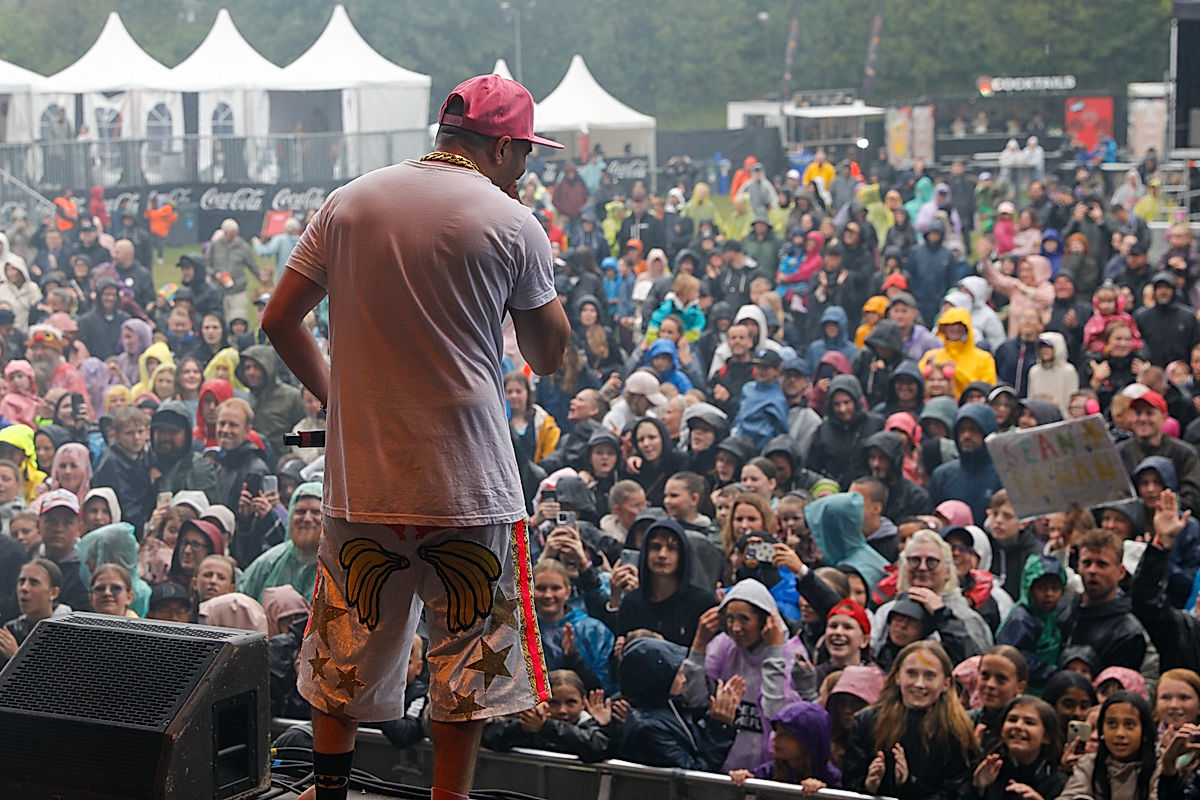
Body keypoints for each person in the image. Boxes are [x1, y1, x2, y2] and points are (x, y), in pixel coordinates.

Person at [260, 74, 572, 800]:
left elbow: (279, 320)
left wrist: (342, 399)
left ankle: (330, 791)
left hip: (363, 474)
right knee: (468, 655)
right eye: (523, 153)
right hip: (468, 479)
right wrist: (532, 242)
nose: (524, 167)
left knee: (344, 638)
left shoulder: (350, 201)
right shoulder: (510, 219)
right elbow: (550, 353)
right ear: (501, 145)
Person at [844, 640, 977, 799]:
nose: (919, 684)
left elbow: (955, 793)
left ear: (946, 683)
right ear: (897, 677)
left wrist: (909, 784)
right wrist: (868, 786)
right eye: (912, 674)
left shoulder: (957, 731)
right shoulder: (866, 722)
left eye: (929, 676)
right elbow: (850, 783)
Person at [1059, 691, 1160, 800]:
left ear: (1144, 731)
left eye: (1129, 725)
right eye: (1112, 724)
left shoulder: (1159, 766)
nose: (1119, 733)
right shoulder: (1089, 765)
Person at [967, 695, 1067, 800]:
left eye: (1029, 722)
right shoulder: (986, 768)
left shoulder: (1057, 783)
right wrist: (977, 788)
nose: (1018, 726)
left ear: (1047, 736)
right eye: (1012, 720)